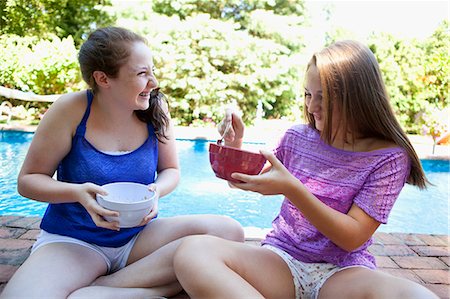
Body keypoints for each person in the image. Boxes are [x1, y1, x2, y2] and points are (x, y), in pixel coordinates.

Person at [173, 40, 439, 299]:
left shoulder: (389, 158)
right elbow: (248, 180)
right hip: (281, 262)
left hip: (342, 274)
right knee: (193, 252)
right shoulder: (297, 138)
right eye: (308, 94)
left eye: (323, 98)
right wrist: (235, 146)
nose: (312, 108)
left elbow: (352, 238)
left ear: (357, 98)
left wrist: (293, 188)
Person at [1, 26, 244, 299]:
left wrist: (156, 192)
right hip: (76, 241)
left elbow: (171, 171)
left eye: (152, 71)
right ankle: (146, 287)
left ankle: (100, 289)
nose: (153, 83)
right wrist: (77, 193)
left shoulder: (155, 109)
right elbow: (28, 181)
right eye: (142, 74)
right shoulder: (70, 110)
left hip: (140, 239)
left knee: (228, 232)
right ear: (103, 78)